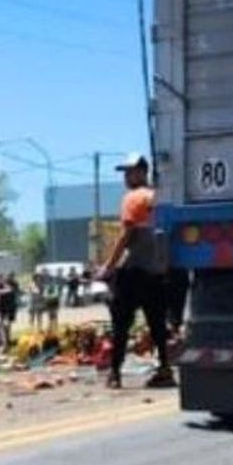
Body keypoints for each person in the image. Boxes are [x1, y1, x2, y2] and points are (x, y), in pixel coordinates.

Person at [97, 154, 174, 390]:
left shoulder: (133, 198)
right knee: (158, 324)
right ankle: (164, 369)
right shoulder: (160, 198)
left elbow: (126, 235)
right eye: (125, 172)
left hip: (133, 272)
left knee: (121, 324)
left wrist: (108, 266)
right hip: (157, 273)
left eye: (129, 172)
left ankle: (115, 373)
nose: (126, 177)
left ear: (142, 172)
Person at [0, 274, 21, 344]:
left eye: (4, 279)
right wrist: (8, 290)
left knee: (7, 325)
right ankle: (4, 341)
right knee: (2, 326)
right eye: (1, 279)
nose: (3, 280)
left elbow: (15, 291)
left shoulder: (9, 285)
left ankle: (7, 339)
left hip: (7, 309)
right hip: (1, 309)